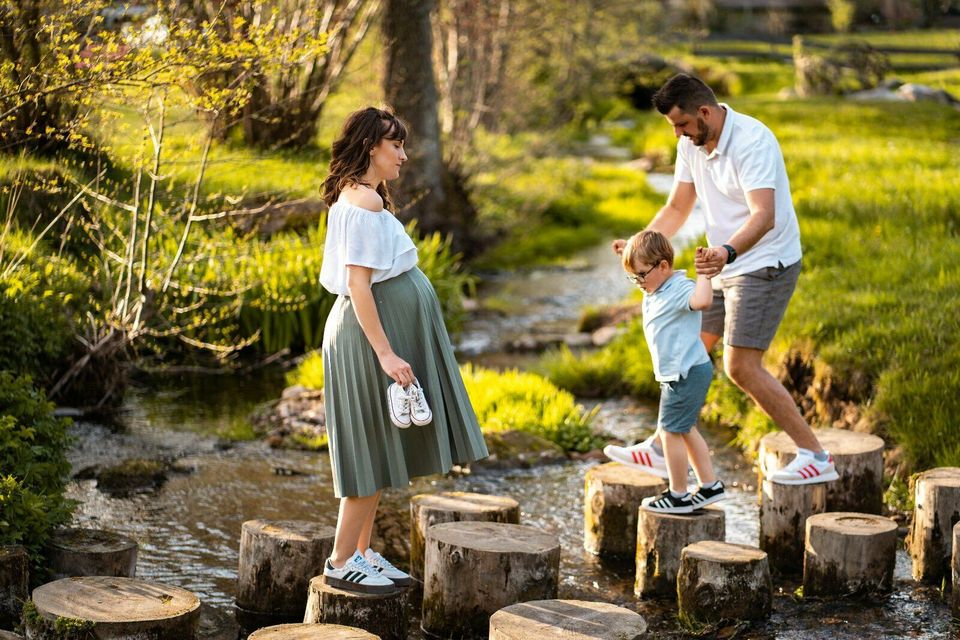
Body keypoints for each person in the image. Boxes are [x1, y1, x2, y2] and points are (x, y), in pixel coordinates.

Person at [612, 74, 837, 485]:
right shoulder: (690, 145)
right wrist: (637, 246)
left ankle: (817, 456)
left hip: (764, 261)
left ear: (704, 112)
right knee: (687, 352)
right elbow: (678, 207)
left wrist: (726, 252)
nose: (678, 135)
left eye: (682, 125)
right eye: (673, 128)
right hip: (721, 263)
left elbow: (764, 216)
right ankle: (663, 446)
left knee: (741, 367)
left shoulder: (753, 142)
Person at [317, 106, 488, 594]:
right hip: (365, 338)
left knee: (378, 449)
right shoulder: (363, 202)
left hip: (369, 334)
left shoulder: (364, 195)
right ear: (373, 146)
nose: (403, 156)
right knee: (367, 452)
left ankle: (363, 552)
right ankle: (339, 560)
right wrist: (387, 355)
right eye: (396, 146)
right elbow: (359, 286)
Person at [605, 231, 726, 513]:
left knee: (671, 431)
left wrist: (705, 275)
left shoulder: (680, 288)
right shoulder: (654, 286)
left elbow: (703, 302)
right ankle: (710, 486)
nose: (638, 283)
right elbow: (644, 272)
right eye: (633, 277)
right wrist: (628, 251)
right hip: (680, 374)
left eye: (640, 276)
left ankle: (678, 494)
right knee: (685, 429)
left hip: (686, 373)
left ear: (663, 266)